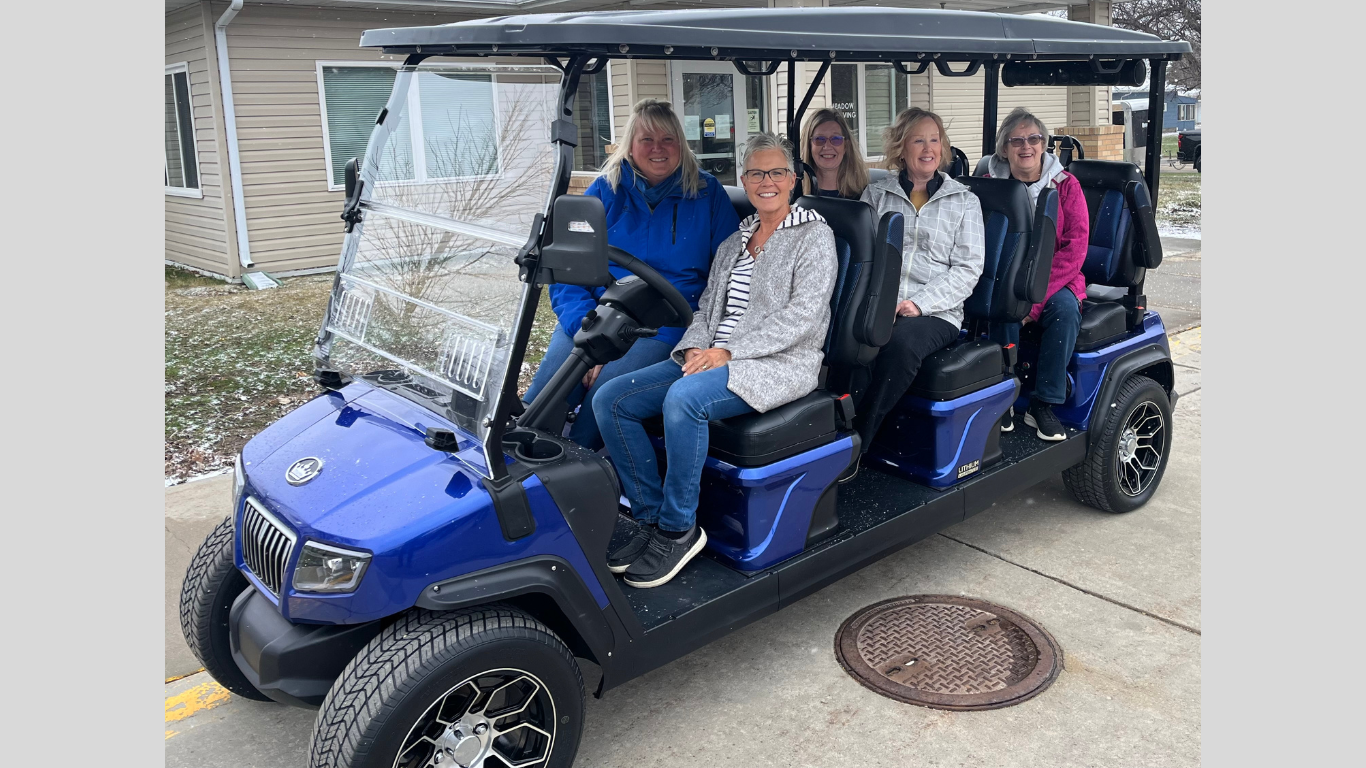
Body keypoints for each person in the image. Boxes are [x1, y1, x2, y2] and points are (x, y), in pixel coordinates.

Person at [594, 133, 837, 589]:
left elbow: (802, 317)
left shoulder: (814, 237)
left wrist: (728, 352)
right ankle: (648, 516)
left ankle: (678, 528)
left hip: (776, 362)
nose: (767, 181)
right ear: (744, 180)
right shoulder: (736, 240)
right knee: (611, 399)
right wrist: (692, 348)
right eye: (756, 173)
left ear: (793, 179)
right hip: (712, 355)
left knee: (684, 401)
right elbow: (707, 308)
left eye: (776, 172)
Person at [522, 98, 741, 449]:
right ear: (630, 145)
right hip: (598, 314)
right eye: (646, 140)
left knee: (603, 396)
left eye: (667, 139)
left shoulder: (705, 193)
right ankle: (524, 464)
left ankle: (581, 476)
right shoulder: (605, 191)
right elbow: (568, 270)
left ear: (680, 145)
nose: (658, 149)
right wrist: (588, 332)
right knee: (546, 394)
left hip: (665, 322)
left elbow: (730, 267)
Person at [852, 108, 985, 479]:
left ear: (942, 147)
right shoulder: (877, 195)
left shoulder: (963, 201)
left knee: (898, 346)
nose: (927, 148)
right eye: (917, 140)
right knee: (848, 344)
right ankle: (826, 435)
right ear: (901, 147)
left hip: (935, 313)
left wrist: (919, 303)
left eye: (934, 139)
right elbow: (863, 256)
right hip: (879, 303)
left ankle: (859, 441)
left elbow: (968, 269)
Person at [984, 108, 1091, 441]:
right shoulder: (991, 186)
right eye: (1017, 140)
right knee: (999, 305)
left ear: (1045, 144)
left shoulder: (1066, 186)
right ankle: (1002, 397)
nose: (1026, 146)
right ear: (1004, 149)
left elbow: (1075, 248)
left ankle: (1043, 403)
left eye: (1034, 139)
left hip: (1055, 278)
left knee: (1064, 311)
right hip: (1006, 273)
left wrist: (1035, 297)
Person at [798, 108, 869, 200]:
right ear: (808, 145)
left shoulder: (865, 195)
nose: (827, 146)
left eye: (836, 139)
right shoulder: (794, 193)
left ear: (846, 146)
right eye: (819, 139)